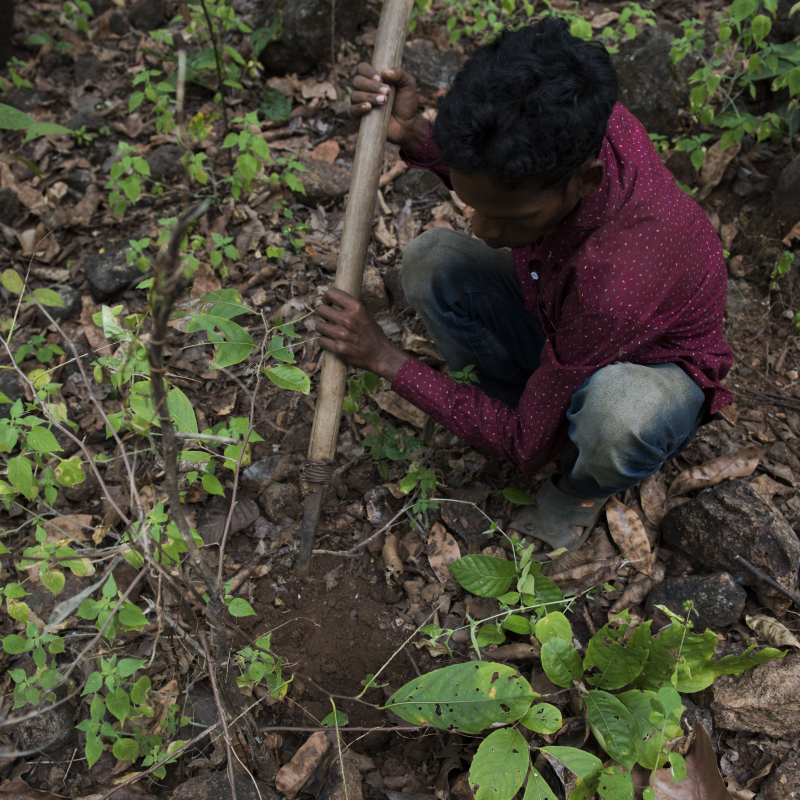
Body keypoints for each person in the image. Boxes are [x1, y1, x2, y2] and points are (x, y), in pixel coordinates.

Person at [314, 18, 735, 557]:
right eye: (476, 206)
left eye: (508, 217)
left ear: (585, 180)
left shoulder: (620, 274)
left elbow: (524, 448)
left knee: (616, 415)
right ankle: (518, 400)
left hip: (648, 362)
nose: (482, 232)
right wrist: (419, 132)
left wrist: (386, 360)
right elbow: (505, 179)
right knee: (430, 260)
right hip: (565, 321)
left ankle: (582, 485)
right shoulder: (568, 118)